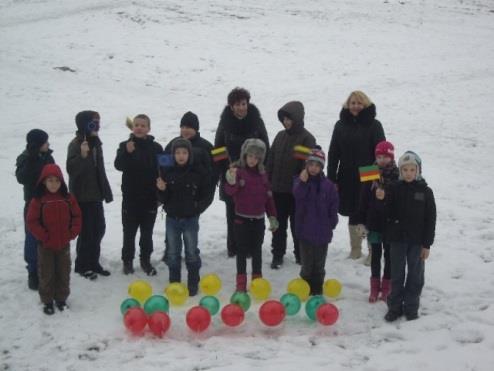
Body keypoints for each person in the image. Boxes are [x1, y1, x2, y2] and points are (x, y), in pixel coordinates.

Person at [378, 151, 436, 322]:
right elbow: (387, 214)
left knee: (415, 276)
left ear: (418, 170)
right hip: (397, 241)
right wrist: (382, 199)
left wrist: (427, 244)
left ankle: (411, 307)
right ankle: (394, 307)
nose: (409, 173)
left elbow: (430, 219)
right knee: (396, 275)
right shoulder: (394, 188)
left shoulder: (425, 192)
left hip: (417, 242)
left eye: (412, 169)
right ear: (401, 171)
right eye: (405, 170)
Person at [327, 91, 385, 262]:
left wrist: (379, 178)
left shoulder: (374, 125)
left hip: (368, 173)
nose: (356, 106)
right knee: (353, 210)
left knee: (369, 211)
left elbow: (381, 153)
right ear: (347, 105)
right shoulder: (340, 125)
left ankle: (372, 251)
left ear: (365, 104)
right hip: (346, 174)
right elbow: (333, 153)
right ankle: (355, 248)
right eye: (352, 103)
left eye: (359, 103)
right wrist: (332, 178)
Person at [214, 87, 269, 257]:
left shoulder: (257, 122)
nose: (241, 107)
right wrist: (225, 171)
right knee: (232, 212)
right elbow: (218, 150)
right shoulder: (224, 123)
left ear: (248, 103)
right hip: (232, 175)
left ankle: (252, 247)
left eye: (243, 104)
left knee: (251, 212)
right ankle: (233, 246)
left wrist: (261, 171)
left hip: (253, 176)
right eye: (237, 104)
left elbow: (266, 147)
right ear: (231, 106)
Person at [156, 138, 209, 296]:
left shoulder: (197, 173)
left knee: (192, 252)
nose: (181, 156)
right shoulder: (168, 172)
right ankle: (175, 282)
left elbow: (205, 194)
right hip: (172, 219)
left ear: (189, 154)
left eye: (184, 152)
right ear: (173, 155)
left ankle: (193, 282)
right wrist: (161, 189)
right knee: (173, 253)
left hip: (190, 220)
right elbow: (163, 199)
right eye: (178, 153)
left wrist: (196, 208)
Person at [26, 164, 82, 315]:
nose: (53, 184)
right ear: (43, 181)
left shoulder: (68, 198)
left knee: (63, 272)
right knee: (47, 273)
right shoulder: (38, 201)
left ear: (61, 182)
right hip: (45, 246)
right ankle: (48, 300)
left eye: (57, 181)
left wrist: (72, 232)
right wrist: (44, 236)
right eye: (50, 180)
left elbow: (77, 216)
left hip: (64, 244)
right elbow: (32, 221)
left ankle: (61, 299)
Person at [224, 139, 278, 292]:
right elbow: (230, 191)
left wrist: (272, 216)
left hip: (258, 220)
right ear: (244, 156)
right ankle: (241, 281)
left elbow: (268, 197)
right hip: (241, 220)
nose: (253, 160)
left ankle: (257, 280)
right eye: (250, 156)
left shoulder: (263, 175)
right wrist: (231, 180)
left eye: (257, 157)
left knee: (257, 250)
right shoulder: (238, 172)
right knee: (241, 251)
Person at [267, 101, 316, 269]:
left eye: (289, 119)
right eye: (284, 119)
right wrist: (268, 180)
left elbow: (306, 165)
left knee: (297, 225)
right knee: (278, 225)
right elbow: (271, 159)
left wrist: (300, 183)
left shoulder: (306, 138)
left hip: (296, 193)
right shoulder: (280, 136)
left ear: (298, 118)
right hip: (277, 191)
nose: (286, 122)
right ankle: (277, 254)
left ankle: (300, 254)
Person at [66, 110, 113, 280]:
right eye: (93, 123)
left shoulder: (95, 142)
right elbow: (71, 169)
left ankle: (94, 262)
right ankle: (82, 265)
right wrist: (83, 156)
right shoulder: (76, 144)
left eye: (98, 123)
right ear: (84, 125)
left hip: (95, 195)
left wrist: (105, 191)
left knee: (99, 229)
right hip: (81, 196)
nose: (97, 126)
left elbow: (99, 169)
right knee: (87, 232)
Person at [115, 114, 163, 276]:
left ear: (148, 129)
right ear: (132, 127)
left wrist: (162, 190)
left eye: (143, 125)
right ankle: (127, 261)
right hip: (130, 199)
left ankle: (145, 260)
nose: (139, 128)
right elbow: (118, 165)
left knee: (147, 233)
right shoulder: (125, 145)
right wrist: (127, 153)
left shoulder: (156, 148)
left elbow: (165, 169)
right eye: (137, 125)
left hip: (150, 199)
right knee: (129, 233)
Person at [356, 141, 399, 302]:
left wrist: (386, 196)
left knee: (389, 256)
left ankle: (386, 288)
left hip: (389, 223)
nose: (382, 160)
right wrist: (360, 221)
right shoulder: (369, 172)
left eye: (385, 157)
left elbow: (399, 200)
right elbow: (363, 198)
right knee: (375, 255)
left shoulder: (397, 174)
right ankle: (374, 288)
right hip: (373, 222)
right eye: (379, 157)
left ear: (391, 157)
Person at [293, 147, 339, 295]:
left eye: (317, 165)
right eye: (311, 164)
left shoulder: (329, 186)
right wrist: (303, 182)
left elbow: (333, 206)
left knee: (319, 266)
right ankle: (304, 290)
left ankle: (317, 291)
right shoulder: (299, 181)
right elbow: (297, 196)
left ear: (321, 167)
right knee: (306, 266)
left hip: (322, 234)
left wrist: (331, 223)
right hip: (305, 232)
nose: (313, 168)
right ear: (307, 165)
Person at [15, 129, 55, 290]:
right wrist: (32, 159)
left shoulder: (48, 156)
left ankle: (47, 270)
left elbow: (55, 175)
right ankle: (33, 271)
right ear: (37, 144)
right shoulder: (25, 158)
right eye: (45, 142)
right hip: (32, 205)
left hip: (50, 204)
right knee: (32, 240)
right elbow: (22, 178)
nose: (48, 144)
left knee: (48, 237)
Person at [164, 111, 217, 209]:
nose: (185, 130)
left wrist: (212, 181)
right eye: (182, 127)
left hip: (198, 196)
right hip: (176, 194)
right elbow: (163, 167)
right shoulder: (172, 144)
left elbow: (221, 162)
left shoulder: (207, 146)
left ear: (196, 129)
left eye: (188, 127)